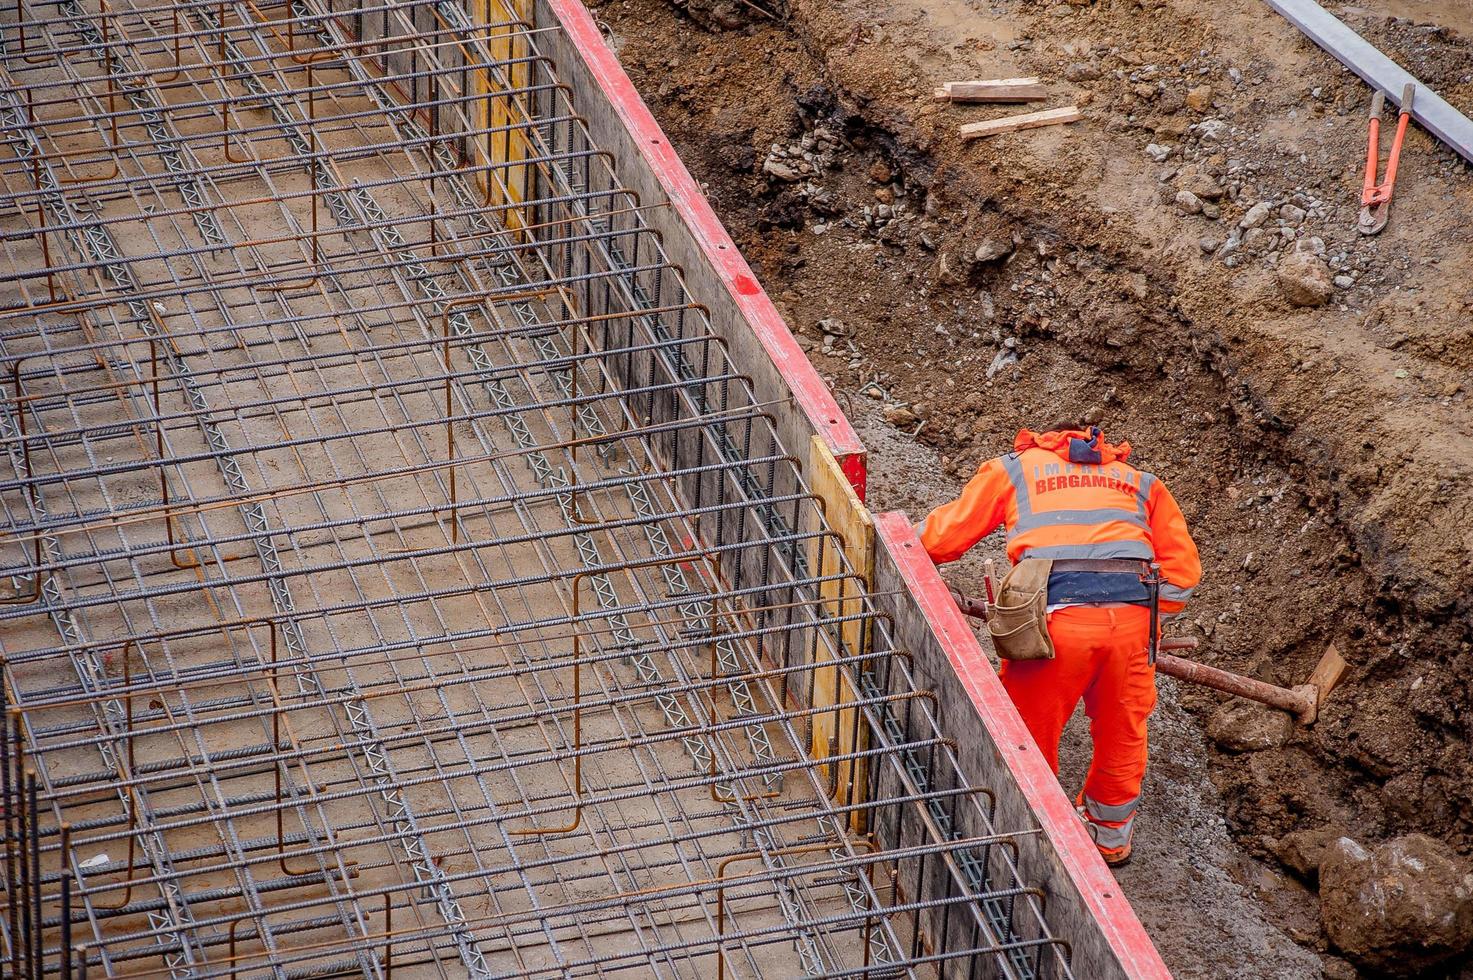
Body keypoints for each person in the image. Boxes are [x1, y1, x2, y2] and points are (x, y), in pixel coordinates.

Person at [918, 423, 1201, 865]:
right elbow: (1182, 577)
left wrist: (894, 536)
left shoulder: (1014, 469)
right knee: (1122, 732)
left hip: (1055, 624)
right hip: (1132, 627)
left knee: (1027, 732)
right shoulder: (1143, 483)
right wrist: (1141, 615)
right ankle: (1109, 839)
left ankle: (1027, 833)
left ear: (1042, 441)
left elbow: (941, 539)